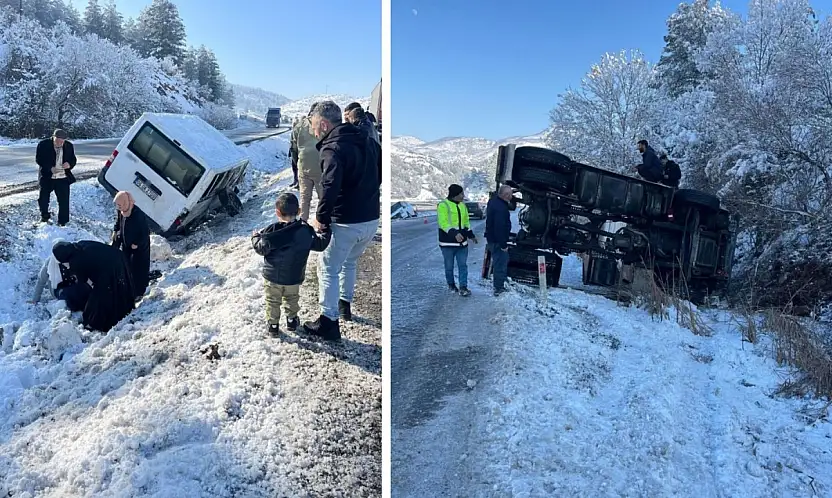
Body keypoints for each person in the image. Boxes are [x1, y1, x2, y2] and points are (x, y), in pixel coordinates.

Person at [301, 100, 382, 341]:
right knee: (349, 262)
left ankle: (328, 322)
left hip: (345, 220)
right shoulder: (368, 139)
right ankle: (345, 304)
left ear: (324, 124)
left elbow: (329, 186)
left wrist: (321, 218)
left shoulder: (332, 148)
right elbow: (378, 174)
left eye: (314, 126)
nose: (314, 132)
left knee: (327, 268)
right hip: (370, 218)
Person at [251, 193, 331, 337]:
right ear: (299, 211)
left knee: (272, 301)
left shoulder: (272, 230)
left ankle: (273, 325)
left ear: (277, 212)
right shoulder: (305, 231)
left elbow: (261, 248)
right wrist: (326, 231)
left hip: (272, 277)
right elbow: (320, 245)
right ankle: (292, 320)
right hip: (293, 277)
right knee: (292, 299)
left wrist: (255, 237)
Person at [52, 240, 135, 332]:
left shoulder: (75, 262)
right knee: (119, 287)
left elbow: (84, 281)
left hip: (110, 268)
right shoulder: (80, 244)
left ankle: (97, 322)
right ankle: (126, 307)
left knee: (104, 294)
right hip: (118, 257)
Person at [437, 184, 478, 297]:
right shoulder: (443, 205)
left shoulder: (462, 206)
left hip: (462, 243)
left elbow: (466, 223)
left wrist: (471, 235)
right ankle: (451, 285)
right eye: (461, 194)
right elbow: (443, 223)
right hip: (447, 243)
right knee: (449, 266)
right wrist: (454, 233)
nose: (463, 196)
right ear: (455, 194)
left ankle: (463, 287)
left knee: (463, 265)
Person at [29, 238, 92, 310]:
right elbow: (41, 280)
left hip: (73, 284)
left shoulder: (72, 259)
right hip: (59, 289)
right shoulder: (50, 262)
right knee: (72, 293)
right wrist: (35, 299)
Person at [111, 191, 151, 300]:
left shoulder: (138, 214)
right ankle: (129, 290)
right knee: (127, 267)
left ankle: (139, 292)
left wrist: (137, 243)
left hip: (139, 248)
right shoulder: (122, 211)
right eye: (117, 205)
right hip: (126, 245)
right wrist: (115, 231)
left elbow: (145, 232)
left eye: (120, 205)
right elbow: (118, 222)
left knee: (138, 269)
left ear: (125, 202)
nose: (118, 207)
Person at [35, 129, 77, 226]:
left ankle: (63, 221)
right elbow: (39, 159)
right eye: (57, 141)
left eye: (62, 141)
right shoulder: (43, 145)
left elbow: (73, 159)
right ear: (53, 137)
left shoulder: (69, 146)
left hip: (62, 177)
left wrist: (69, 164)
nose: (59, 143)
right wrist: (50, 168)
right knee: (44, 199)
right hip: (47, 176)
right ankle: (44, 217)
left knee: (64, 200)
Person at [290, 104, 324, 222]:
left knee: (305, 198)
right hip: (321, 168)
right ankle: (323, 222)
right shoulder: (323, 125)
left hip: (304, 167)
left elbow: (293, 148)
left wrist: (297, 162)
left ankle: (303, 223)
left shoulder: (299, 126)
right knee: (323, 198)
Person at [485, 185, 513, 296]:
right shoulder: (501, 208)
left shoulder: (494, 202)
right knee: (500, 263)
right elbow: (499, 227)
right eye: (510, 194)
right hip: (497, 241)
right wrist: (503, 244)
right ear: (506, 195)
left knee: (501, 262)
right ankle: (498, 288)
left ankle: (500, 284)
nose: (511, 196)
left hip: (492, 239)